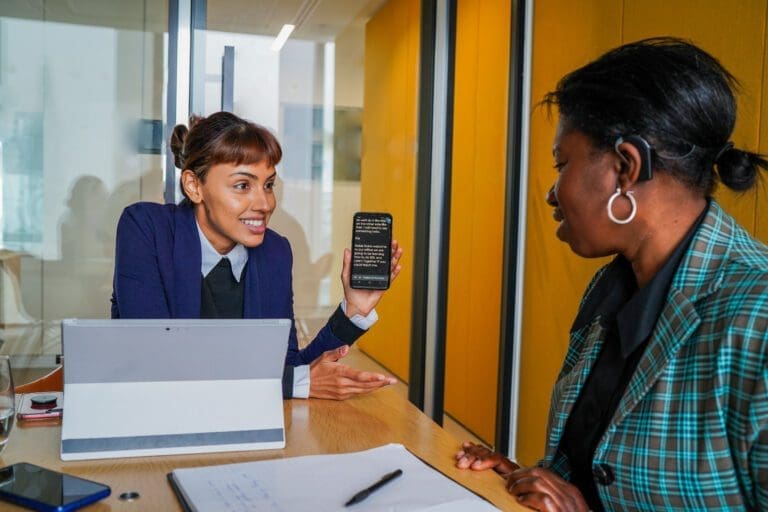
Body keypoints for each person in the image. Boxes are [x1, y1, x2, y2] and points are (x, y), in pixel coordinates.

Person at [456, 38, 768, 511]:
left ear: (626, 167)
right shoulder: (610, 288)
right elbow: (601, 467)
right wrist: (533, 479)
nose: (552, 193)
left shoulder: (757, 318)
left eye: (562, 164)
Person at [111, 111, 403, 400]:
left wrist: (354, 311)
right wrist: (294, 384)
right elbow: (154, 360)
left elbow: (288, 367)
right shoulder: (146, 228)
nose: (264, 203)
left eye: (268, 185)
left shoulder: (274, 252)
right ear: (194, 186)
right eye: (242, 186)